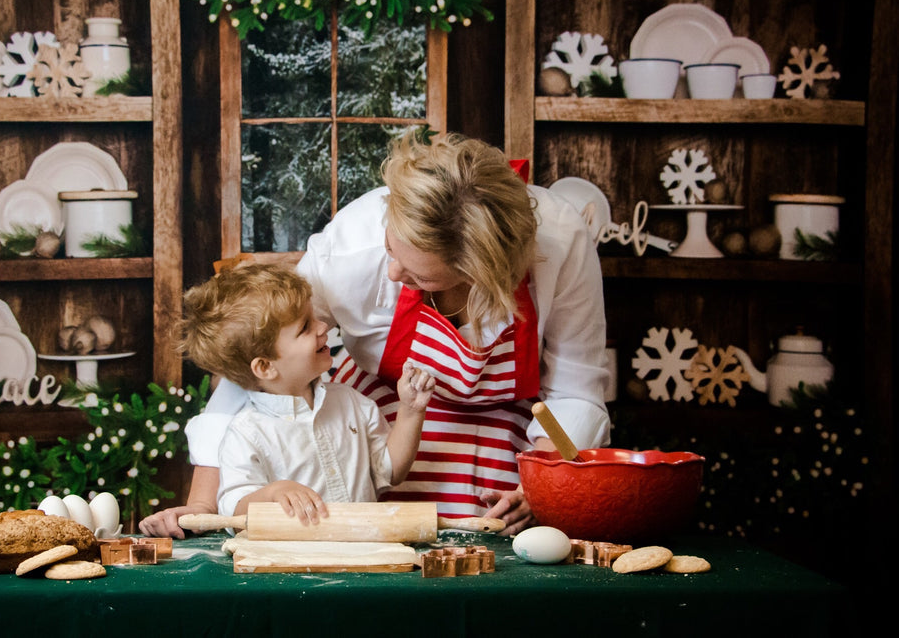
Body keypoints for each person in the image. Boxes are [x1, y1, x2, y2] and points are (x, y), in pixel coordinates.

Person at [139, 129, 610, 539]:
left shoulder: (561, 244)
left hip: (508, 437)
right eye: (391, 247)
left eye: (422, 277)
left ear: (483, 274)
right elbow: (250, 364)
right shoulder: (350, 247)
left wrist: (540, 486)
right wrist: (202, 505)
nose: (392, 269)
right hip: (373, 422)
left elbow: (576, 390)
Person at [174, 262, 434, 522]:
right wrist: (273, 492)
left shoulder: (352, 403)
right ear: (265, 366)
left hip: (363, 554)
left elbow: (391, 472)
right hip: (291, 561)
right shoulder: (246, 432)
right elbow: (233, 509)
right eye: (305, 327)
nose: (323, 327)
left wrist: (411, 411)